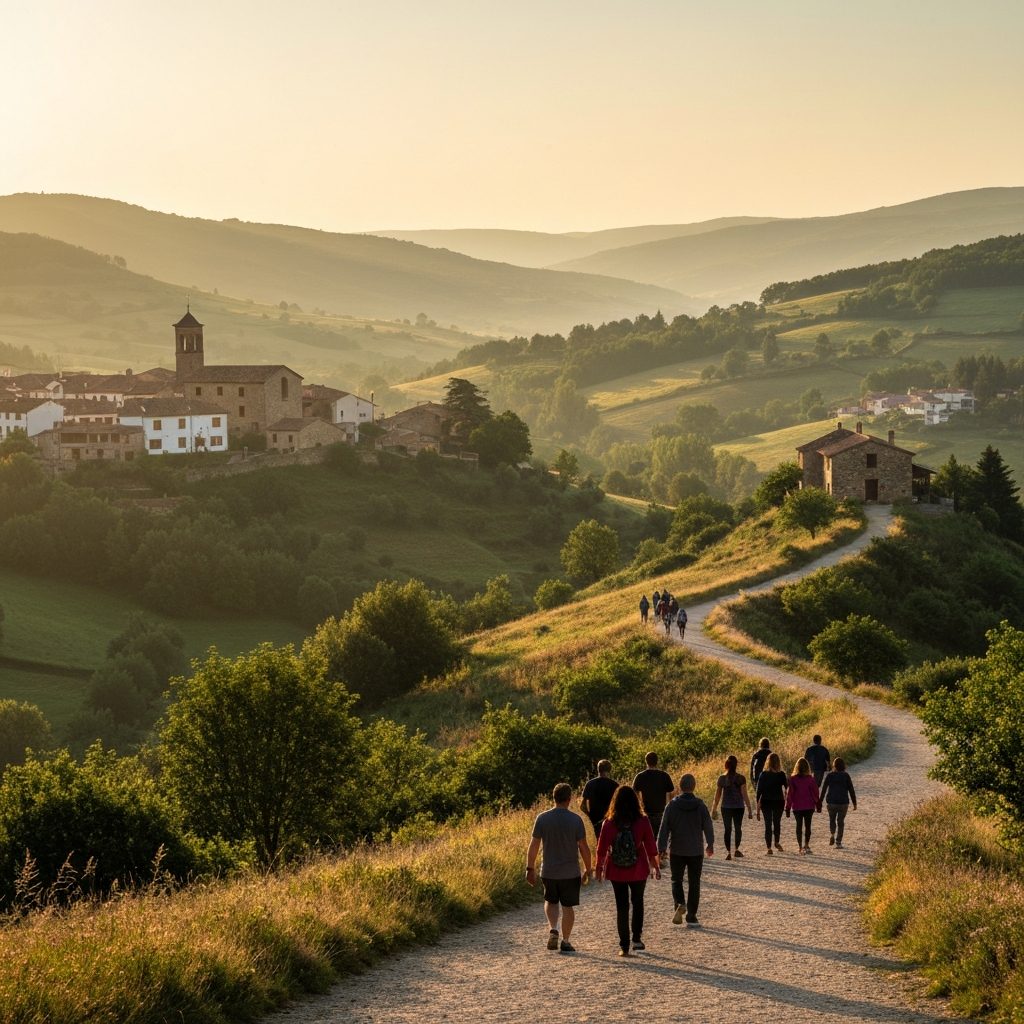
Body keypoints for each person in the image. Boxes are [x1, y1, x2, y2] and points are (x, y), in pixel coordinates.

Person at [526, 782, 593, 952]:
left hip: (549, 871)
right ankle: (566, 940)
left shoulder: (542, 818)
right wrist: (588, 868)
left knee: (551, 901)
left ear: (553, 797)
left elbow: (534, 845)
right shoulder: (576, 820)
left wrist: (530, 868)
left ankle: (553, 928)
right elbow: (583, 847)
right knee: (567, 906)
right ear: (569, 799)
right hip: (570, 872)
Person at [596, 785, 660, 956]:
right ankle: (636, 939)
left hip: (616, 870)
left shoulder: (609, 823)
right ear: (635, 801)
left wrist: (599, 868)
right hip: (638, 868)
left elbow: (601, 849)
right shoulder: (643, 821)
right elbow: (651, 845)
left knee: (621, 906)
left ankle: (624, 946)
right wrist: (656, 866)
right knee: (638, 902)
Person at [658, 773, 714, 926]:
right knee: (694, 883)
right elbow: (708, 826)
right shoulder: (700, 805)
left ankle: (680, 903)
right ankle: (692, 916)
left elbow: (664, 828)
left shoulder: (671, 806)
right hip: (696, 850)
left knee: (676, 880)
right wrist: (710, 844)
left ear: (680, 787)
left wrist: (661, 848)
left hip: (677, 849)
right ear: (694, 786)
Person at [711, 754, 753, 860]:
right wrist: (749, 808)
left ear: (726, 765)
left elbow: (717, 796)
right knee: (738, 828)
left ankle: (728, 852)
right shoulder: (741, 778)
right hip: (739, 807)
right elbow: (744, 794)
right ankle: (736, 849)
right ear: (736, 765)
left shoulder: (722, 778)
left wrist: (714, 808)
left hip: (726, 807)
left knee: (727, 829)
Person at [632, 752, 675, 837]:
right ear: (657, 761)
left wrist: (640, 804)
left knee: (647, 838)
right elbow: (671, 792)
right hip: (661, 813)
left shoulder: (640, 776)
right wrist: (668, 807)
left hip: (646, 813)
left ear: (646, 762)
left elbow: (634, 792)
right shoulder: (664, 776)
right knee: (661, 838)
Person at [785, 757, 821, 854]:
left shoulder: (793, 779)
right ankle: (807, 845)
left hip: (797, 806)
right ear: (807, 767)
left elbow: (790, 794)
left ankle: (800, 847)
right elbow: (816, 793)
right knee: (808, 826)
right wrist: (818, 804)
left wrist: (787, 807)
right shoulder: (810, 779)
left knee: (799, 826)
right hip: (809, 806)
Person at [755, 751, 788, 855]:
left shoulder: (763, 774)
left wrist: (757, 808)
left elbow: (759, 792)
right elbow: (787, 788)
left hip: (766, 802)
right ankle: (776, 842)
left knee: (768, 824)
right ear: (778, 762)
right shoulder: (781, 774)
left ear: (768, 762)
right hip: (779, 801)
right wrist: (787, 799)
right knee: (777, 823)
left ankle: (769, 847)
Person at [820, 756, 857, 849]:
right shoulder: (846, 776)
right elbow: (851, 790)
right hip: (843, 803)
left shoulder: (830, 775)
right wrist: (854, 803)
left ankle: (832, 834)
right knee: (841, 822)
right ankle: (838, 842)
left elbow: (824, 789)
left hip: (831, 802)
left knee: (832, 820)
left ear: (834, 765)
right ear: (843, 766)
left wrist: (820, 802)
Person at [580, 760, 618, 844]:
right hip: (611, 819)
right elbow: (619, 805)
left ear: (598, 769)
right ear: (609, 770)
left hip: (595, 820)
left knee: (600, 844)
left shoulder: (590, 784)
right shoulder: (614, 785)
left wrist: (590, 816)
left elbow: (582, 806)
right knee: (612, 844)